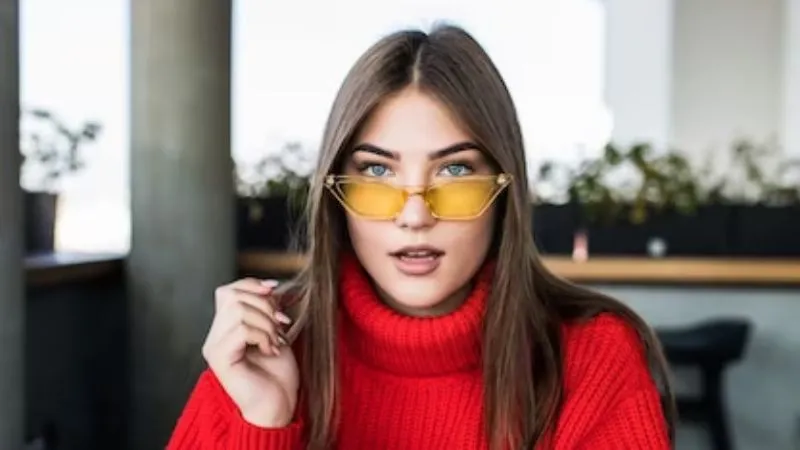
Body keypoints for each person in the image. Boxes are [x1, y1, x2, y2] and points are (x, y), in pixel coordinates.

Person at [167, 24, 674, 450]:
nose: (414, 215)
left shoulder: (592, 357)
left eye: (454, 171)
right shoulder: (267, 348)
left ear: (505, 189)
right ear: (334, 193)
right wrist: (261, 422)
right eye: (376, 172)